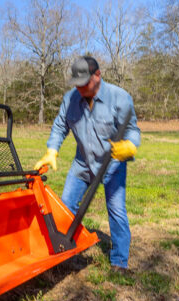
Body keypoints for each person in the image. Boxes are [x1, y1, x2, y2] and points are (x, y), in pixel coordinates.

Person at [34, 56, 140, 271]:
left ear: (98, 75)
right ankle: (66, 252)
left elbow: (132, 130)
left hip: (112, 164)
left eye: (85, 83)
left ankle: (119, 261)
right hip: (82, 163)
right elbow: (59, 126)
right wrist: (52, 150)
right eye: (77, 83)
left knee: (116, 209)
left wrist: (130, 145)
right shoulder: (70, 99)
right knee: (65, 206)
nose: (80, 88)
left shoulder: (120, 98)